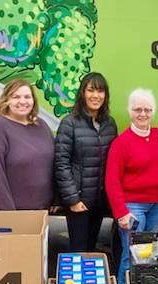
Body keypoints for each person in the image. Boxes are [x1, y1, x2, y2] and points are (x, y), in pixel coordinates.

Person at [105, 88, 158, 284]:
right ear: (130, 112)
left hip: (157, 205)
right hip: (132, 207)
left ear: (153, 112)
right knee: (131, 257)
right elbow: (112, 181)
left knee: (147, 255)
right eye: (138, 109)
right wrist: (121, 213)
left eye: (147, 109)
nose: (143, 114)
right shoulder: (122, 142)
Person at [54, 72, 117, 252]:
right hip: (79, 201)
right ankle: (75, 281)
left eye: (100, 91)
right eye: (91, 90)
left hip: (98, 201)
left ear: (105, 96)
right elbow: (61, 163)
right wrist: (73, 199)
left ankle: (88, 280)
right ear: (82, 93)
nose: (96, 96)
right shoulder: (69, 123)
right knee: (78, 249)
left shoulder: (109, 124)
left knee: (91, 247)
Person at [0, 79, 58, 211]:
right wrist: (9, 214)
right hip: (6, 213)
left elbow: (55, 163)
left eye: (27, 97)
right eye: (16, 97)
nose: (23, 101)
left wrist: (56, 198)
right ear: (6, 100)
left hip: (39, 211)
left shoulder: (41, 126)